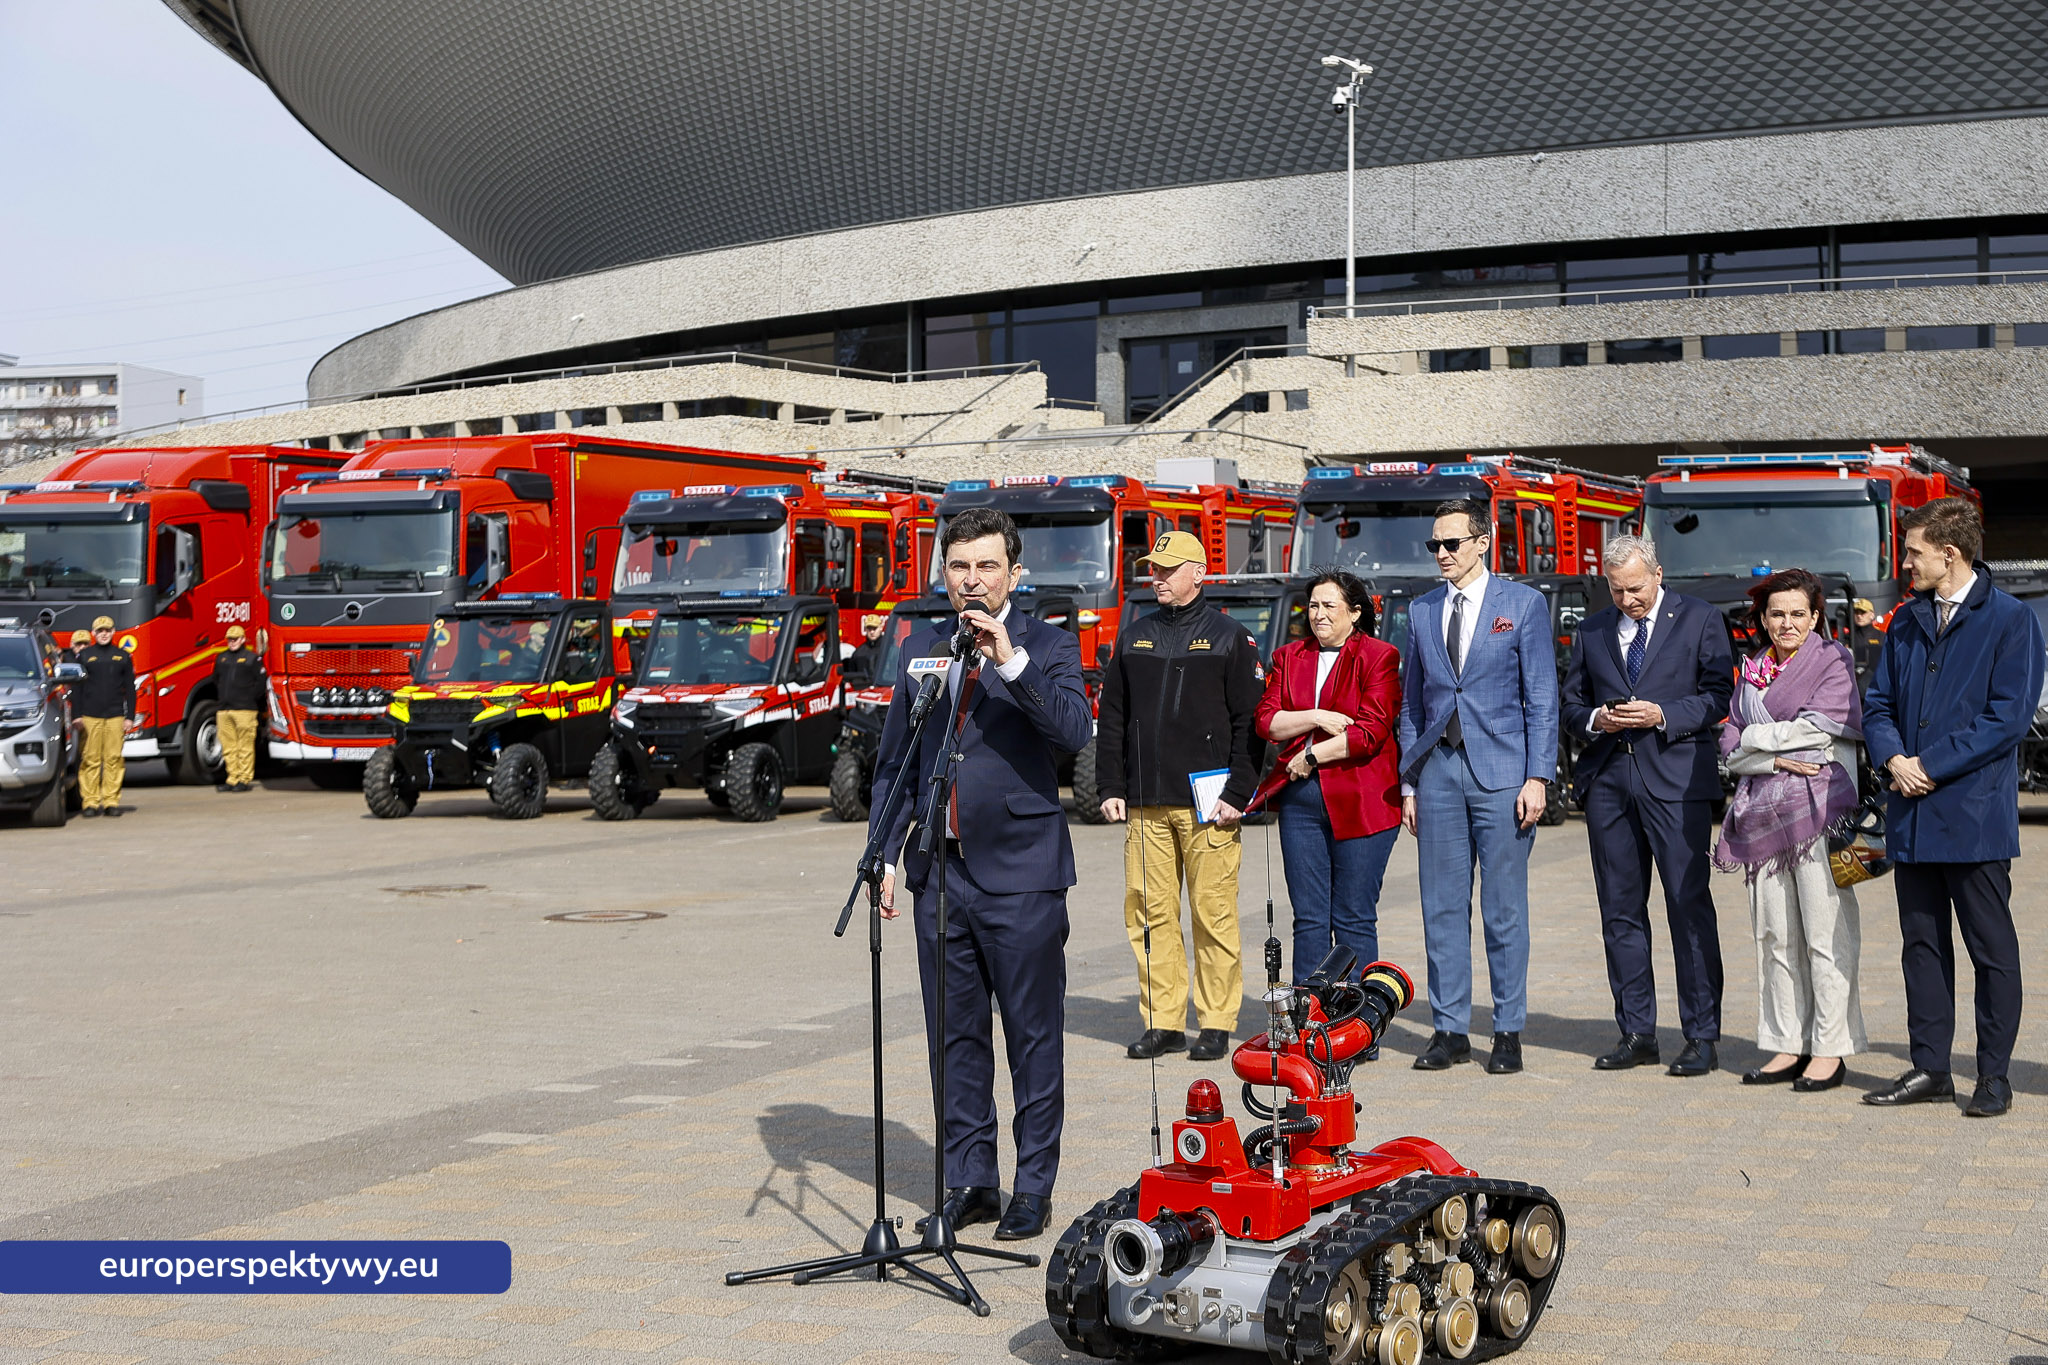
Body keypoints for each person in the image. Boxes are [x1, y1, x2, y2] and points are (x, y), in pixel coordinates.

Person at [870, 505, 1093, 1239]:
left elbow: (1072, 731)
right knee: (953, 1036)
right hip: (942, 873)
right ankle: (970, 1177)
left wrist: (1008, 660)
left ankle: (1033, 1185)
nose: (972, 579)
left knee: (1032, 1035)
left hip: (1024, 875)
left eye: (987, 565)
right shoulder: (922, 651)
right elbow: (894, 765)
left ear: (1014, 573)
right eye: (960, 565)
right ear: (943, 572)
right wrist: (884, 854)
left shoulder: (1048, 646)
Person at [1861, 498, 2044, 1117]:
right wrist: (1892, 760)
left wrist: (1928, 766)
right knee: (1922, 945)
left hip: (1972, 818)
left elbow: (2008, 718)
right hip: (1910, 814)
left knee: (1990, 950)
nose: (1905, 561)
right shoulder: (1907, 620)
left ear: (1950, 553)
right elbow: (1877, 703)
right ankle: (1930, 1067)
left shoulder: (2012, 620)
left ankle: (1994, 1075)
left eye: (1913, 551)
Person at [1561, 535, 1734, 1076]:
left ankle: (1701, 1035)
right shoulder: (1592, 630)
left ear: (1658, 574)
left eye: (1636, 588)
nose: (1628, 600)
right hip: (1610, 782)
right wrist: (1597, 721)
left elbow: (1718, 695)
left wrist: (1662, 714)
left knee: (1688, 909)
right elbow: (1570, 704)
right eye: (1617, 591)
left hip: (1677, 782)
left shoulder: (1701, 618)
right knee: (1619, 914)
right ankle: (1636, 1031)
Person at [1397, 499, 1558, 1075]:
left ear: (1482, 542)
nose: (1441, 554)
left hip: (1504, 774)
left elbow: (1542, 697)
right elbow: (1412, 703)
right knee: (1441, 907)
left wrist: (1538, 775)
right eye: (1434, 545)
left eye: (1451, 544)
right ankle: (1449, 1029)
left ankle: (1508, 1030)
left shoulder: (1523, 604)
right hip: (1438, 771)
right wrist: (1409, 783)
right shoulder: (1420, 611)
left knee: (1503, 910)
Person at [1096, 531, 1263, 1063]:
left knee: (1212, 915)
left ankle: (1215, 1022)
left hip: (1210, 806)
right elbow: (1113, 718)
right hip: (1145, 803)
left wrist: (1238, 792)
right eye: (1153, 569)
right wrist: (1110, 786)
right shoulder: (1134, 635)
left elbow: (1250, 725)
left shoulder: (1231, 637)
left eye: (1168, 569)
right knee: (1148, 915)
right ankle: (1163, 1021)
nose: (1158, 577)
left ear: (1198, 573)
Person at [1713, 568, 1868, 1092]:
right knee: (1774, 934)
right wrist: (1768, 760)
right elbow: (1729, 748)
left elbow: (1822, 730)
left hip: (1820, 814)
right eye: (1776, 613)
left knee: (1826, 935)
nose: (1786, 623)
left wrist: (1754, 738)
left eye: (1797, 613)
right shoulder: (1751, 670)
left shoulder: (1833, 662)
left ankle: (1830, 1049)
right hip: (1762, 817)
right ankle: (1786, 1042)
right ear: (1762, 618)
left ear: (1816, 616)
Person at [1248, 570, 1402, 1017]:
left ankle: (1359, 1021)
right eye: (1312, 606)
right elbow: (1267, 722)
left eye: (1329, 606)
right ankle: (1310, 1017)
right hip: (1301, 804)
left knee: (1354, 917)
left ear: (1355, 612)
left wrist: (1311, 756)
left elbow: (1371, 731)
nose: (1318, 614)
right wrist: (1316, 716)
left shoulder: (1379, 656)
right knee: (1310, 918)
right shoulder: (1288, 656)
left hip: (1363, 801)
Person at [75, 615, 136, 817]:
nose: (103, 634)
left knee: (114, 760)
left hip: (115, 715)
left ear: (113, 632)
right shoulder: (84, 656)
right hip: (90, 716)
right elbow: (77, 689)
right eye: (100, 631)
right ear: (93, 634)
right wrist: (77, 715)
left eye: (107, 630)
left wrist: (130, 717)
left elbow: (130, 688)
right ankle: (90, 803)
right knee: (90, 760)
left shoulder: (123, 656)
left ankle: (111, 802)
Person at [210, 624, 264, 793]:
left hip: (245, 710)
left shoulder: (252, 659)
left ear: (242, 640)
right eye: (229, 639)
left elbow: (261, 684)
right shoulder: (222, 658)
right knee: (228, 747)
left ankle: (244, 779)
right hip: (224, 710)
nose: (232, 642)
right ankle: (232, 778)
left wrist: (248, 698)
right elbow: (215, 680)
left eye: (235, 639)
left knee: (245, 746)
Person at [1847, 599, 1885, 687]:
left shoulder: (1882, 637)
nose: (1859, 616)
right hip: (1855, 687)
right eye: (1857, 613)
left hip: (1878, 685)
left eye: (1863, 613)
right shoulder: (1848, 638)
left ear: (1872, 615)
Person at [847, 613, 886, 681]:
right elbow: (852, 676)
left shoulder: (889, 651)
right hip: (863, 689)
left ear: (881, 628)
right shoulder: (858, 653)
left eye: (874, 628)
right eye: (869, 628)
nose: (872, 632)